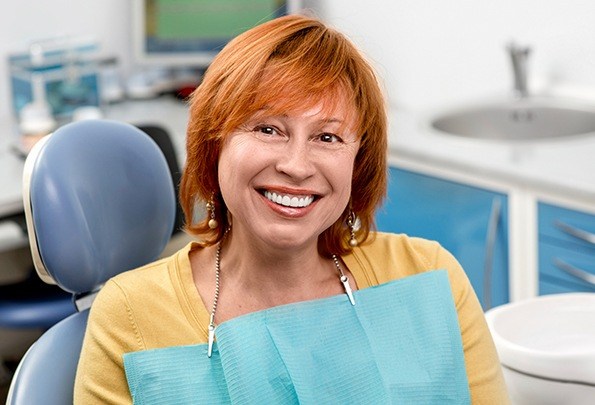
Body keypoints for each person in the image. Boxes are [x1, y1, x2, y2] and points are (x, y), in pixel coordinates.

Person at [74, 14, 509, 404]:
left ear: (358, 164)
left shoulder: (429, 276)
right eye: (267, 128)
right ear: (214, 145)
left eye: (327, 137)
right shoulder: (129, 316)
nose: (297, 166)